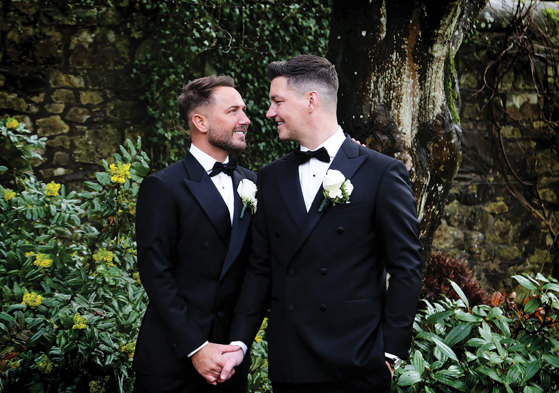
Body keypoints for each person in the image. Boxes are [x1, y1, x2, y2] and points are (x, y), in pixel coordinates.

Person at [222, 55, 423, 393]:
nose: (269, 113)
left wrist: (389, 352)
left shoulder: (381, 173)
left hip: (358, 364)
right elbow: (260, 269)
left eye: (277, 101)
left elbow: (406, 267)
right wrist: (239, 344)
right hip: (291, 365)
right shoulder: (270, 178)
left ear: (311, 100)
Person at [133, 75, 256, 393]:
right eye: (233, 111)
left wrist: (238, 346)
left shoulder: (254, 184)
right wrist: (197, 348)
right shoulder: (163, 186)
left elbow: (259, 271)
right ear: (199, 121)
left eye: (243, 110)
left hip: (231, 365)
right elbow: (155, 273)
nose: (245, 120)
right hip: (172, 362)